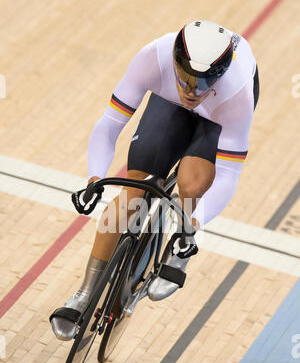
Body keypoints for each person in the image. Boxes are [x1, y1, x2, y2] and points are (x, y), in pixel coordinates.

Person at [50, 20, 259, 340]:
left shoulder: (237, 93)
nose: (191, 91)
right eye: (186, 79)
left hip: (217, 117)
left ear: (219, 78)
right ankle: (83, 294)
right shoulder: (153, 57)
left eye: (202, 84)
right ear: (174, 62)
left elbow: (229, 174)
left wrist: (194, 224)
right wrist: (95, 178)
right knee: (132, 191)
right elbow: (109, 125)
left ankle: (179, 249)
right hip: (167, 103)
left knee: (192, 183)